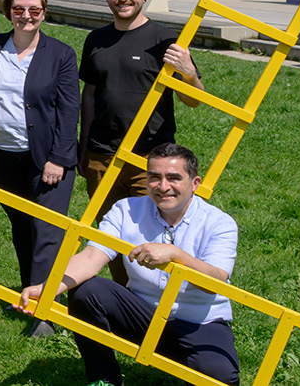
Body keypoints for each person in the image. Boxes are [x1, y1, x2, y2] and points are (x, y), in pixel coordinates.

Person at [19, 144, 240, 386]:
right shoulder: (126, 210)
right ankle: (105, 380)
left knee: (220, 378)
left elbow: (216, 280)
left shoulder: (219, 223)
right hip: (142, 315)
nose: (163, 186)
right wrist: (48, 288)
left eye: (174, 178)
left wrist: (176, 255)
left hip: (199, 324)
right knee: (87, 291)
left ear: (195, 183)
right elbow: (92, 257)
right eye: (154, 177)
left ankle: (193, 362)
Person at [0, 0, 79, 337]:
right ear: (8, 12)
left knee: (48, 230)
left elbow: (69, 112)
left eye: (34, 10)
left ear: (44, 13)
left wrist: (58, 158)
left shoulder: (61, 54)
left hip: (47, 158)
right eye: (19, 10)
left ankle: (46, 314)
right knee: (23, 226)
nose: (26, 16)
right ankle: (31, 293)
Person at [80, 0, 203, 217]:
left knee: (151, 229)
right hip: (101, 155)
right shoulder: (95, 39)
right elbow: (89, 94)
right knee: (107, 230)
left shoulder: (165, 40)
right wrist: (84, 146)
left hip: (151, 158)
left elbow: (193, 101)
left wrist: (189, 73)